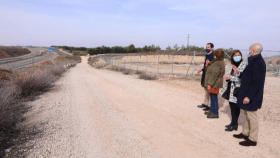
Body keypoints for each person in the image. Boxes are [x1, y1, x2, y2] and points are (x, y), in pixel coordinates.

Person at [233, 43, 266, 146]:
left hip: (252, 95)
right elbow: (247, 76)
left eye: (250, 49)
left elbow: (256, 83)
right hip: (245, 92)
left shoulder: (259, 63)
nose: (249, 51)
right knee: (246, 114)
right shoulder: (252, 61)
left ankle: (252, 139)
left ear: (255, 50)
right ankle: (245, 133)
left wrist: (249, 97)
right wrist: (238, 72)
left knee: (252, 116)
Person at [222, 50, 247, 131]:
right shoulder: (232, 65)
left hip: (238, 90)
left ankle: (234, 124)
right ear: (232, 57)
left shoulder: (243, 65)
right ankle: (233, 123)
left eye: (238, 55)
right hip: (231, 88)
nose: (237, 57)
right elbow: (232, 75)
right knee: (232, 107)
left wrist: (231, 77)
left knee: (236, 108)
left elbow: (242, 78)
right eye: (235, 55)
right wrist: (227, 77)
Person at [204, 49, 225, 118]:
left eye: (215, 54)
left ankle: (215, 113)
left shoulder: (218, 63)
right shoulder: (218, 61)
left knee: (214, 98)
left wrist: (209, 84)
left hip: (214, 83)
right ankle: (212, 110)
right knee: (213, 97)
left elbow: (214, 75)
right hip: (214, 82)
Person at [197, 43, 215, 111]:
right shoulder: (207, 55)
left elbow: (212, 66)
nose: (207, 48)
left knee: (209, 90)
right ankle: (205, 103)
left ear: (212, 48)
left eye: (208, 47)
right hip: (205, 74)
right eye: (206, 47)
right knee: (205, 89)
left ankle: (209, 105)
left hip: (209, 75)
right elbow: (205, 65)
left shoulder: (213, 56)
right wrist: (201, 70)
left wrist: (208, 64)